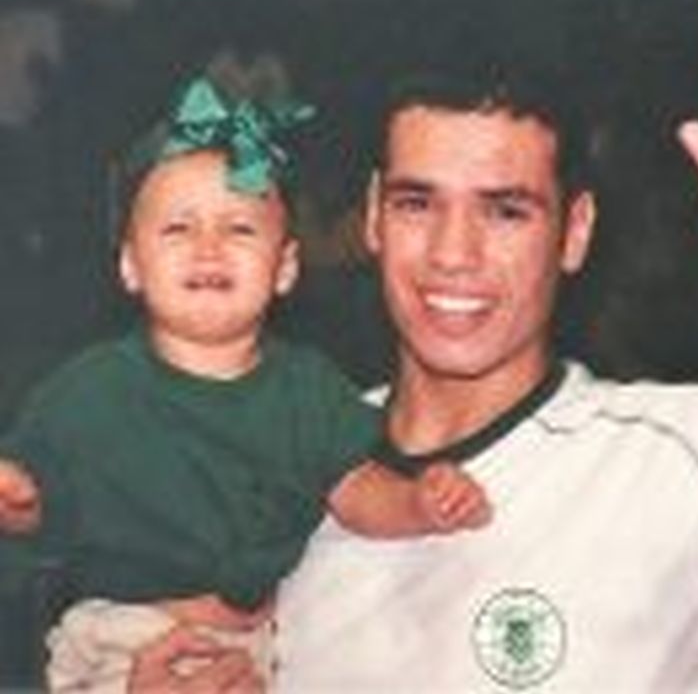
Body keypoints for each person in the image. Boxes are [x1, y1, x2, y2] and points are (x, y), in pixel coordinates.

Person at [130, 2, 698, 693]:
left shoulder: (695, 465)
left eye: (505, 211)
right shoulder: (266, 484)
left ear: (574, 232)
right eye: (417, 204)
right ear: (373, 214)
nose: (453, 253)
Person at [0, 76, 490, 693]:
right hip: (123, 643)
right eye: (177, 229)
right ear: (129, 264)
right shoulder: (86, 392)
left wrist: (418, 503)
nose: (208, 248)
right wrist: (20, 503)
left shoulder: (309, 389)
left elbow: (356, 491)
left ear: (284, 267)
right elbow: (35, 515)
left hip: (263, 649)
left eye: (239, 229)